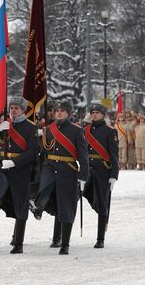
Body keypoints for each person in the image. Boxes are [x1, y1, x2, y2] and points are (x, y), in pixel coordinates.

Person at [29, 101, 89, 255]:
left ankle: (65, 243)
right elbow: (41, 151)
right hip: (50, 167)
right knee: (45, 187)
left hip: (67, 170)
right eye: (57, 111)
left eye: (63, 111)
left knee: (66, 207)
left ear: (69, 113)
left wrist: (83, 175)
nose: (59, 113)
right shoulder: (48, 130)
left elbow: (83, 155)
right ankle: (38, 206)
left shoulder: (77, 131)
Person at [0, 97, 39, 254]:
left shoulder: (30, 128)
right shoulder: (4, 125)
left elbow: (33, 152)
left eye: (16, 108)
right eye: (11, 107)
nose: (13, 110)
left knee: (20, 205)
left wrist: (15, 162)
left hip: (20, 170)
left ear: (23, 110)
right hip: (2, 168)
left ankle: (18, 243)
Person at [82, 104, 119, 249]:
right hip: (87, 170)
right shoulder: (85, 130)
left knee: (102, 204)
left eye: (97, 112)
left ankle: (100, 238)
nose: (94, 115)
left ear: (103, 114)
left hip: (103, 171)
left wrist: (114, 175)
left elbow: (114, 155)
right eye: (93, 112)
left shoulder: (110, 131)